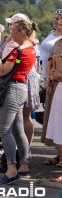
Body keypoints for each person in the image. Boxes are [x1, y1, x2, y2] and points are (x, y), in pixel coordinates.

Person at [0, 15, 36, 184]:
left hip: (13, 89)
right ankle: (24, 166)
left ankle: (11, 169)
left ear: (21, 31)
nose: (10, 32)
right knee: (17, 128)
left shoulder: (18, 51)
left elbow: (1, 71)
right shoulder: (31, 48)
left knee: (4, 129)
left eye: (13, 29)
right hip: (21, 88)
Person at [44, 38, 62, 176]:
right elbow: (52, 64)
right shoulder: (58, 43)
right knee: (57, 124)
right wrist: (50, 78)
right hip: (58, 87)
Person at [40, 10, 62, 82]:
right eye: (54, 18)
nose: (55, 20)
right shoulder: (51, 33)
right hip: (42, 71)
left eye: (57, 19)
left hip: (53, 75)